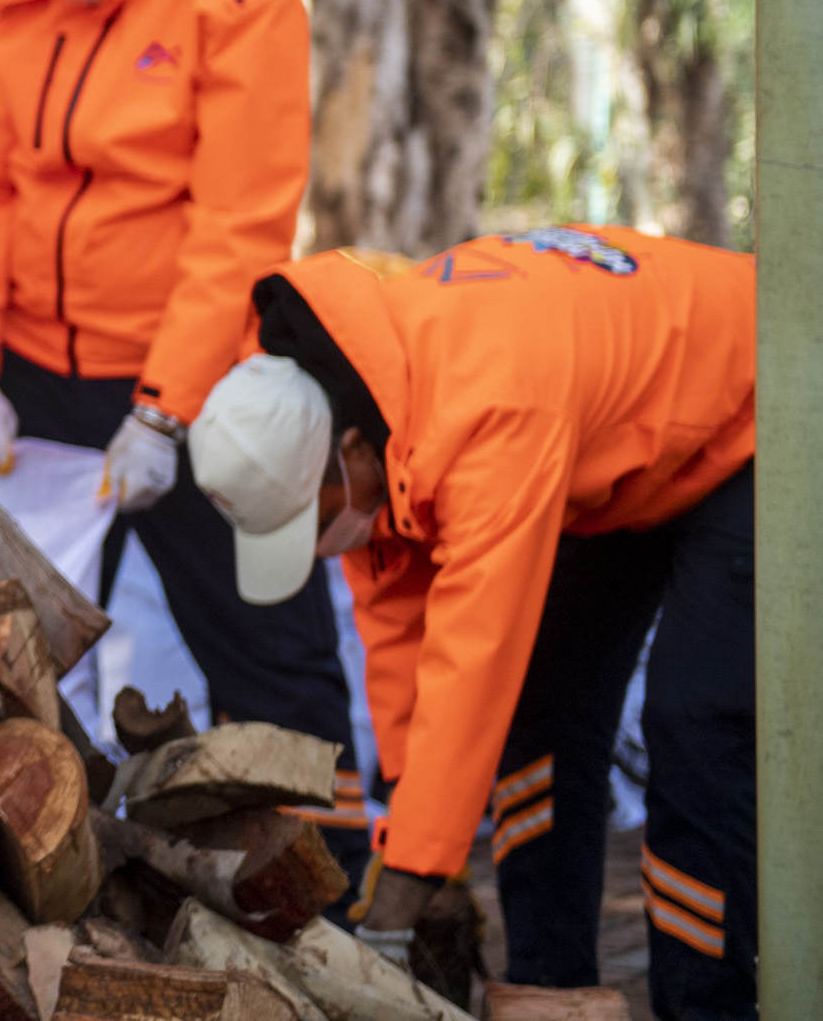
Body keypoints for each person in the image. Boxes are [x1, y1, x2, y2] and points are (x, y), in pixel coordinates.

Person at [0, 0, 371, 857]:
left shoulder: (241, 2)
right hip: (32, 370)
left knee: (268, 644)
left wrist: (162, 410)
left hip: (196, 374)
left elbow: (236, 227)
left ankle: (326, 895)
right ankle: (21, 871)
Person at [190, 227, 755, 1018]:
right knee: (542, 718)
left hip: (754, 411)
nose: (318, 548)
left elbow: (473, 662)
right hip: (621, 453)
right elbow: (399, 652)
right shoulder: (360, 415)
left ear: (348, 454)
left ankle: (712, 1006)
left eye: (309, 522)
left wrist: (402, 897)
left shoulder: (486, 411)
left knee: (694, 722)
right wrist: (413, 850)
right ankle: (548, 992)